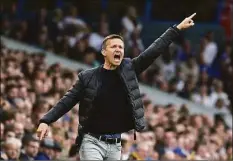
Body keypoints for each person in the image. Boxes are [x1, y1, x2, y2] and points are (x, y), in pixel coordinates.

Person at [36, 13, 197, 160]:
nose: (118, 49)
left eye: (121, 47)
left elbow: (153, 51)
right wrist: (46, 120)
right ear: (104, 52)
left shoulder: (129, 68)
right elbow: (67, 101)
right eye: (114, 47)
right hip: (92, 141)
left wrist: (176, 29)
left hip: (115, 145)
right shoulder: (87, 77)